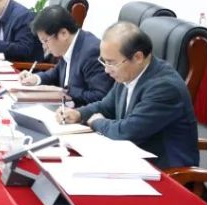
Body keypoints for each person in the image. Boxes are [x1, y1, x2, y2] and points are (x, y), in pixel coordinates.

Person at [56, 22, 199, 169]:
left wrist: (97, 122)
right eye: (104, 61)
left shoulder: (164, 87)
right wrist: (79, 114)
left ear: (137, 57)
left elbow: (126, 133)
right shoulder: (129, 72)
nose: (106, 70)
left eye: (111, 63)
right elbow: (106, 106)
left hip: (165, 172)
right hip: (134, 161)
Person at [17, 5, 113, 106]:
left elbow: (100, 96)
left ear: (63, 33)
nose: (44, 47)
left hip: (81, 112)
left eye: (45, 41)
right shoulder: (70, 44)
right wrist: (36, 78)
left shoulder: (91, 52)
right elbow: (56, 72)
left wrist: (65, 91)